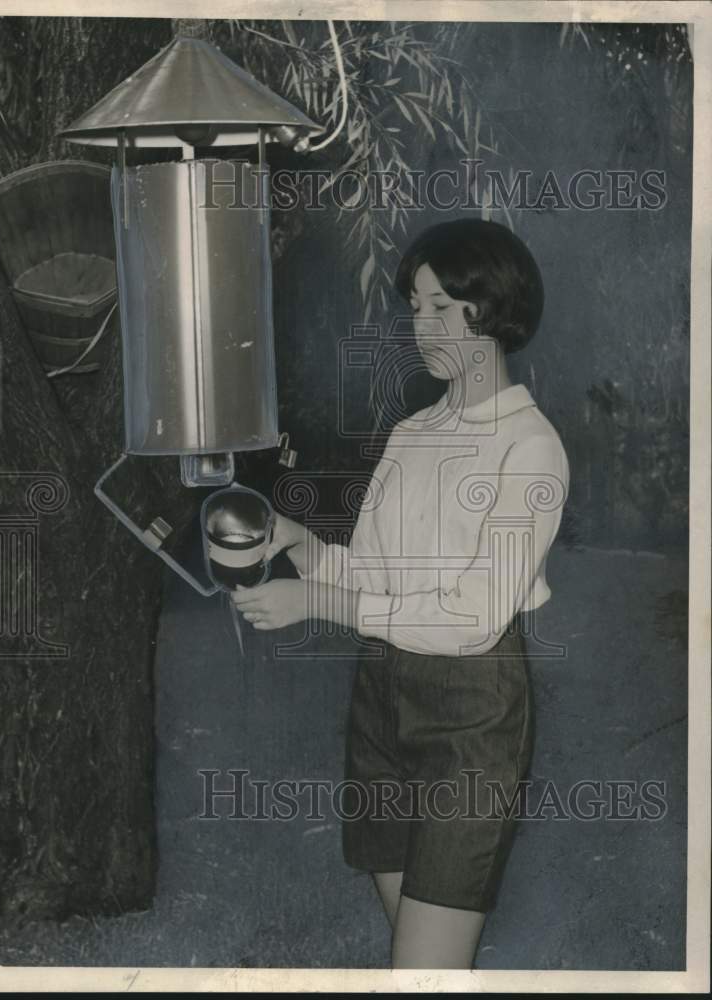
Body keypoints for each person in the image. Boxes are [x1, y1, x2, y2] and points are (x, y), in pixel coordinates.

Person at [231, 218, 570, 969]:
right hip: (380, 700)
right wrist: (305, 550)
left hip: (470, 713)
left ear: (495, 314)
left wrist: (318, 604)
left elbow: (473, 619)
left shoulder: (531, 447)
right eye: (416, 307)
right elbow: (379, 577)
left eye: (445, 307)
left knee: (425, 969)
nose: (424, 326)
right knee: (414, 961)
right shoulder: (413, 432)